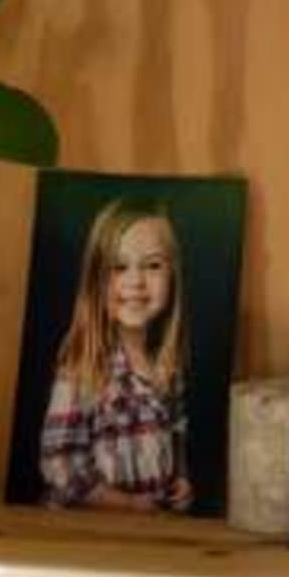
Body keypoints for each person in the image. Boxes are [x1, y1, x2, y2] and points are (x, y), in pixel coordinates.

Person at [34, 197, 192, 511]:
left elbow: (176, 436)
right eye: (119, 267)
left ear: (173, 276)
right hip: (92, 529)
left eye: (153, 265)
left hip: (150, 527)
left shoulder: (168, 367)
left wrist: (181, 480)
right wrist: (127, 504)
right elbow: (60, 463)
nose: (136, 281)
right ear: (95, 280)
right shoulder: (82, 368)